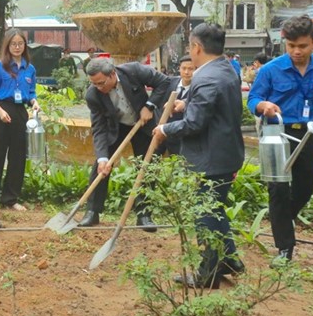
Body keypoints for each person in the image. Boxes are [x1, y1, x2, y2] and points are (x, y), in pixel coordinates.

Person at [154, 23, 246, 288]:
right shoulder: (226, 70)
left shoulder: (206, 78)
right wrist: (189, 104)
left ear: (196, 47)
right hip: (225, 153)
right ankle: (230, 260)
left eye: (189, 47)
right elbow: (212, 110)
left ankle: (208, 275)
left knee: (205, 215)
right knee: (215, 209)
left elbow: (194, 124)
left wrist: (164, 128)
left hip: (210, 158)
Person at [248, 15, 313, 263]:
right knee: (279, 190)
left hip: (306, 133)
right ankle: (285, 247)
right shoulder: (271, 70)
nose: (296, 51)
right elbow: (253, 99)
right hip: (277, 133)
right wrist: (264, 105)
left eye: (302, 46)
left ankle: (282, 218)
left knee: (305, 188)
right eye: (291, 46)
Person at [78, 57, 172, 230]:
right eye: (94, 84)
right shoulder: (93, 94)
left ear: (112, 74)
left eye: (101, 83)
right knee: (100, 167)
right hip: (116, 127)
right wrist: (102, 158)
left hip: (143, 123)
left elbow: (163, 82)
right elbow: (98, 128)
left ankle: (144, 214)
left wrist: (149, 106)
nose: (98, 87)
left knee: (147, 166)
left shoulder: (134, 70)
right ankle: (92, 212)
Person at [0, 29, 39, 218]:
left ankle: (10, 198)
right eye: (13, 44)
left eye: (20, 44)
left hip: (20, 112)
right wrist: (0, 112)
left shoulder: (29, 68)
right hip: (1, 110)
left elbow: (31, 92)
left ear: (25, 46)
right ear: (7, 46)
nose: (17, 47)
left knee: (18, 157)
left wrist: (34, 102)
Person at [164, 55, 195, 156]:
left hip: (184, 137)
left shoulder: (199, 88)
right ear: (179, 69)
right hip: (164, 132)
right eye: (184, 68)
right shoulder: (169, 82)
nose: (187, 72)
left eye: (191, 69)